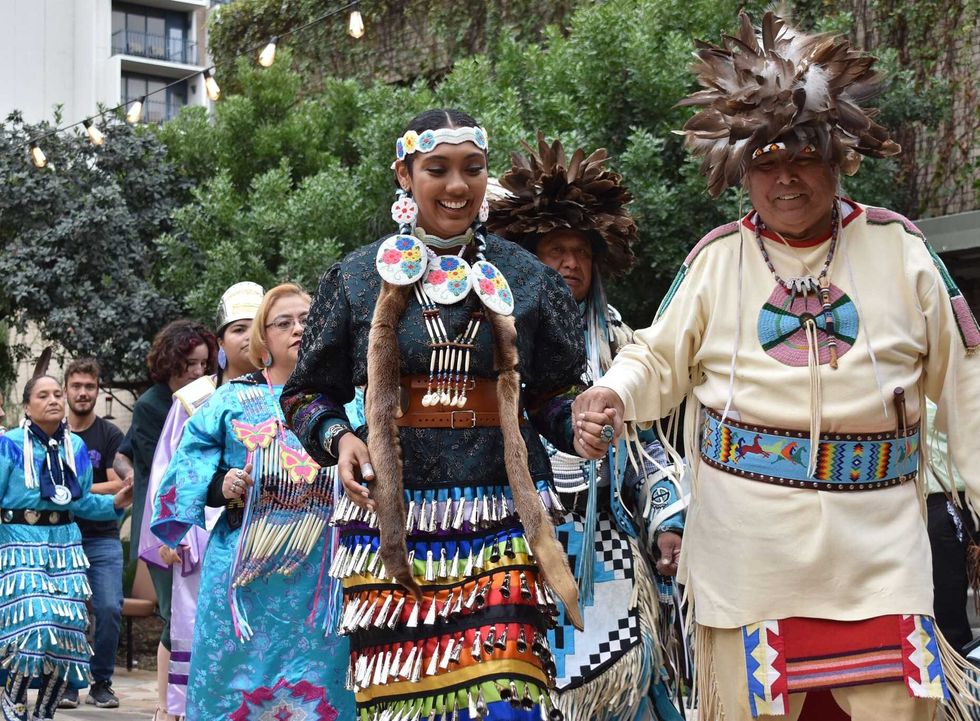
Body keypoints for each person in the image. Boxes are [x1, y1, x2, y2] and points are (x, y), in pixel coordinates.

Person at [572, 12, 980, 721]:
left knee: (893, 705)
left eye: (803, 157)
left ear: (838, 158)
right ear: (741, 171)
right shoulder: (717, 259)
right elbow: (656, 358)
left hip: (879, 551)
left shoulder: (900, 250)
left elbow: (967, 379)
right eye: (765, 161)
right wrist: (610, 391)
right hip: (750, 553)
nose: (785, 178)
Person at [281, 108, 601, 720]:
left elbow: (553, 395)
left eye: (472, 169)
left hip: (502, 514)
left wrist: (579, 421)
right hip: (391, 519)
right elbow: (304, 394)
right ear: (405, 174)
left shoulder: (527, 278)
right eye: (438, 169)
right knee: (409, 703)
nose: (457, 185)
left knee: (507, 692)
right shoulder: (353, 277)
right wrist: (339, 439)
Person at [488, 135, 684, 721]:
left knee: (623, 691)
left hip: (607, 549)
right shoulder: (490, 339)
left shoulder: (622, 345)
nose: (570, 263)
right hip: (513, 544)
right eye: (554, 251)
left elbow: (650, 448)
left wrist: (668, 519)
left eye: (580, 251)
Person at [151, 283, 354, 720]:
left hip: (325, 579)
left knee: (326, 688)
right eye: (284, 323)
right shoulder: (228, 401)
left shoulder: (349, 403)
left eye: (306, 319)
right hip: (245, 576)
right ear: (264, 340)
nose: (298, 328)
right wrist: (220, 484)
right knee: (236, 685)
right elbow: (184, 471)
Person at [137, 282, 263, 719]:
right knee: (192, 626)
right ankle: (178, 709)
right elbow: (169, 470)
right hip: (204, 531)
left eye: (255, 326)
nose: (248, 337)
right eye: (237, 328)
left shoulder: (289, 393)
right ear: (221, 342)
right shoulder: (194, 400)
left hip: (267, 533)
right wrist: (176, 529)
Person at [0, 374, 132, 721]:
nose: (54, 400)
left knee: (66, 632)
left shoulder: (73, 448)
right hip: (18, 542)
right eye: (43, 395)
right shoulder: (8, 445)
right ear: (27, 406)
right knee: (35, 623)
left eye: (58, 394)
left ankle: (44, 712)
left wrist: (116, 502)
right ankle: (13, 705)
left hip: (65, 544)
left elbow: (82, 501)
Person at [113, 320, 217, 721]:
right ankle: (165, 708)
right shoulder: (153, 405)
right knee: (175, 614)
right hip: (164, 524)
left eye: (203, 364)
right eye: (189, 364)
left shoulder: (208, 398)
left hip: (203, 520)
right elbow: (166, 471)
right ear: (169, 362)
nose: (196, 372)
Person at [57, 360, 126, 710]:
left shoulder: (110, 435)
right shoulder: (53, 434)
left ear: (98, 390)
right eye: (77, 386)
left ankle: (101, 682)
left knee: (109, 607)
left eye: (90, 386)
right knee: (68, 612)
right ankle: (69, 684)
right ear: (66, 389)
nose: (83, 392)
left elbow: (120, 483)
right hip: (62, 538)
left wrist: (74, 491)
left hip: (102, 537)